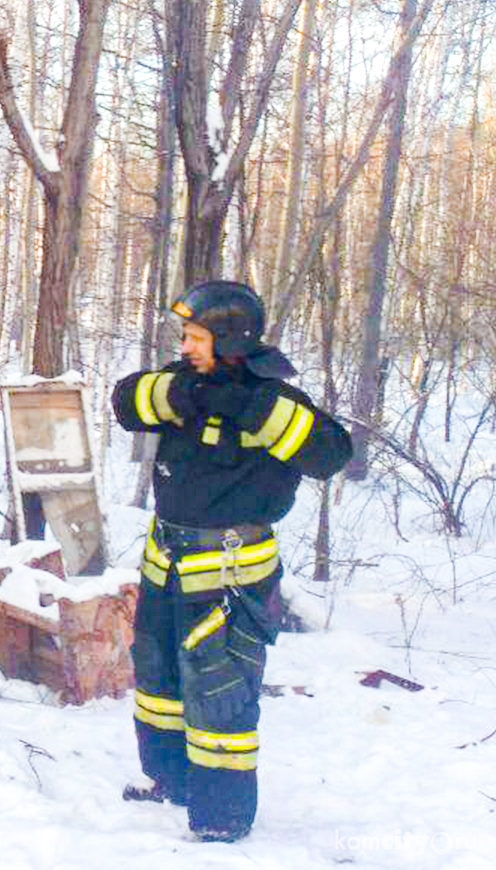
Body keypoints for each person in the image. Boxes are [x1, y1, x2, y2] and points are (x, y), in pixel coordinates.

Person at [112, 279, 351, 842]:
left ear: (230, 339)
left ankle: (221, 818)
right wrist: (183, 396)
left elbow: (330, 455)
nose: (187, 346)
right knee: (160, 682)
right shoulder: (185, 384)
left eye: (196, 337)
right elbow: (126, 402)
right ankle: (169, 780)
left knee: (220, 696)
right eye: (186, 336)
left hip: (229, 578)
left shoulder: (276, 401)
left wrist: (251, 410)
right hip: (166, 564)